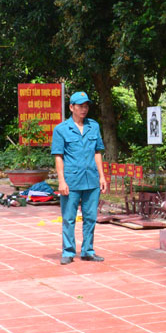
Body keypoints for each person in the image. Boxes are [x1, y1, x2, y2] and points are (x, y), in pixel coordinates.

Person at [51, 91, 107, 264]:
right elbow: (58, 156)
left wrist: (102, 177)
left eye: (86, 106)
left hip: (91, 180)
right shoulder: (61, 129)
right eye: (80, 106)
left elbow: (97, 152)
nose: (84, 109)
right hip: (72, 181)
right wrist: (61, 180)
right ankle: (68, 252)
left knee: (90, 217)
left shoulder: (93, 126)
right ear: (71, 107)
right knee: (68, 217)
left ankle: (87, 251)